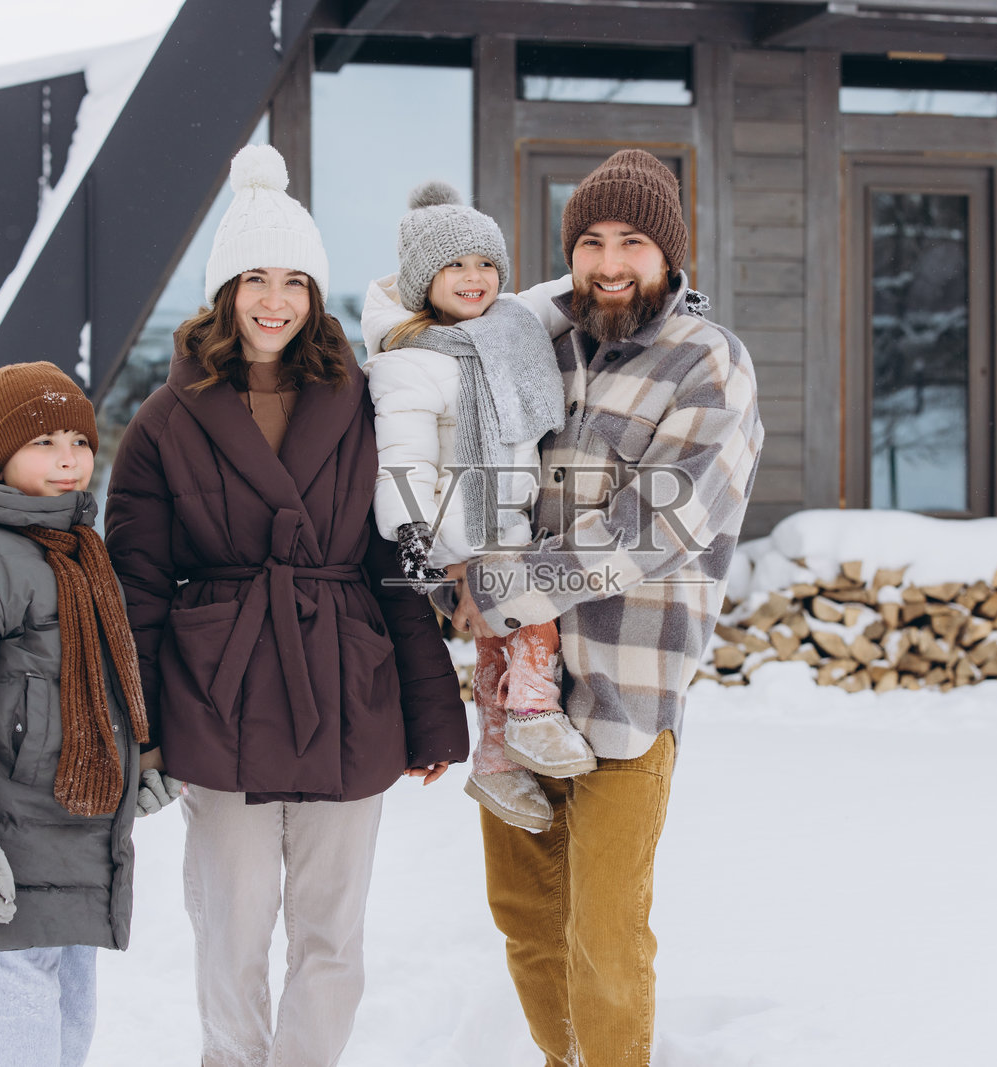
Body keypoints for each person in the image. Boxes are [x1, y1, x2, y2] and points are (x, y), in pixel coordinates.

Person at [104, 144, 468, 1067]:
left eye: (296, 281)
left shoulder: (363, 401)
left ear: (316, 293)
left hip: (347, 685)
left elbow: (394, 558)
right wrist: (139, 725)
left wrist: (432, 710)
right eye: (256, 278)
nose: (275, 300)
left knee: (332, 939)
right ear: (224, 289)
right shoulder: (163, 421)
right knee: (230, 937)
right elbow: (136, 585)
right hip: (215, 694)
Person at [447, 149, 764, 1067]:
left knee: (605, 940)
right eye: (590, 241)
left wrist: (498, 589)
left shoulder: (709, 365)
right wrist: (451, 572)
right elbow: (474, 478)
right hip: (517, 698)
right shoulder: (533, 346)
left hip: (628, 697)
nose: (610, 261)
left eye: (632, 241)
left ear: (669, 254)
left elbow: (653, 528)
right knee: (524, 919)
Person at [0, 360, 172, 1067]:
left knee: (62, 1048)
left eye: (78, 440)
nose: (68, 458)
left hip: (72, 855)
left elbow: (97, 686)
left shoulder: (77, 551)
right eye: (43, 441)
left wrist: (135, 759)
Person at [360, 180, 591, 833]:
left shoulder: (508, 328)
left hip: (506, 526)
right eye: (454, 265)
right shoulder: (407, 361)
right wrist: (421, 546)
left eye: (487, 263)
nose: (475, 277)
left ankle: (495, 761)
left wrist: (670, 289)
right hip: (455, 539)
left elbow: (564, 294)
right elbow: (402, 462)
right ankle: (534, 715)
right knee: (534, 615)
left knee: (495, 646)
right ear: (421, 280)